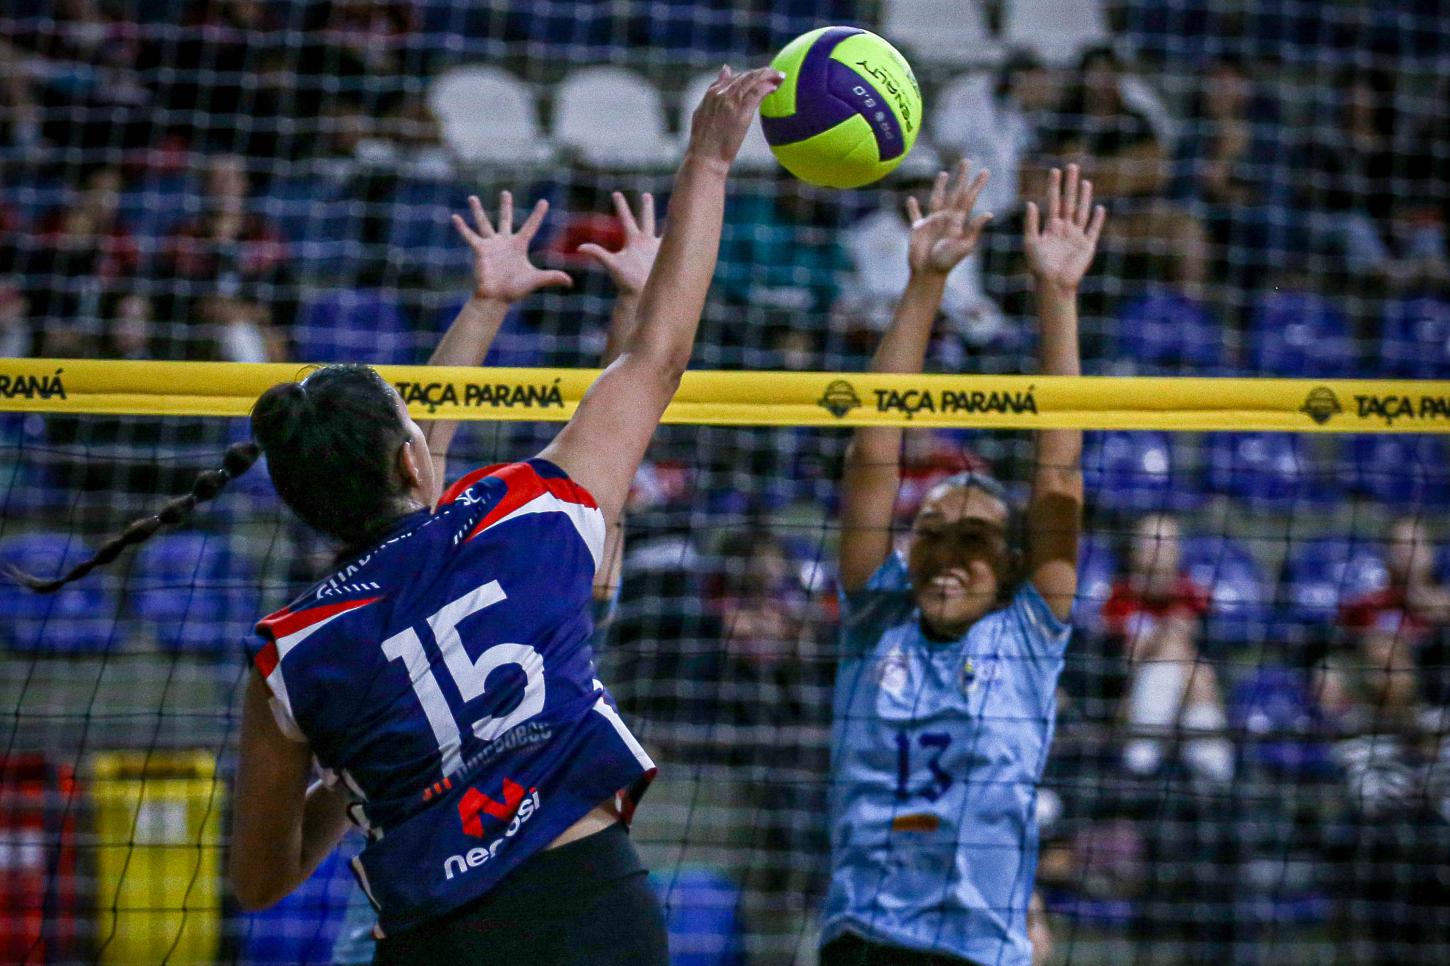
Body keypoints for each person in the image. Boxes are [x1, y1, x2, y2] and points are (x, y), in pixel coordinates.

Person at [13, 65, 784, 965]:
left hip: (436, 937)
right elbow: (658, 357)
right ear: (414, 457)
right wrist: (708, 163)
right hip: (593, 909)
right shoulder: (523, 516)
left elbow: (258, 882)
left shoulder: (289, 655)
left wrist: (360, 772)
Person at [326, 186, 664, 965]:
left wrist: (635, 308)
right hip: (431, 905)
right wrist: (485, 306)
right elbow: (415, 457)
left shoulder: (556, 582)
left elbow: (617, 438)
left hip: (526, 896)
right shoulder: (418, 575)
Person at [822, 161, 1104, 966]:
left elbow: (1059, 469)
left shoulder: (1029, 629)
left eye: (974, 541)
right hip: (865, 939)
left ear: (1011, 565)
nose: (946, 556)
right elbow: (875, 447)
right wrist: (925, 281)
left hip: (980, 950)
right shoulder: (878, 616)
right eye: (933, 533)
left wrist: (1056, 292)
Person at [1101, 514, 1234, 783]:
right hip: (1127, 704)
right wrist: (1164, 638)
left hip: (1191, 700)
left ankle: (1154, 757)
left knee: (1194, 672)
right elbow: (1121, 663)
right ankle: (1206, 766)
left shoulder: (1196, 597)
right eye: (1151, 542)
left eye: (1167, 542)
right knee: (1177, 651)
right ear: (1133, 550)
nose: (1159, 550)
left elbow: (1212, 668)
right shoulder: (1118, 597)